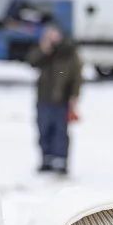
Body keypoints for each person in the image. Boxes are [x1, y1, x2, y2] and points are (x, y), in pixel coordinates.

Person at [27, 19, 83, 175]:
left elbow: (77, 76)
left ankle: (61, 161)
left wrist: (75, 96)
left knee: (60, 132)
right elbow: (32, 62)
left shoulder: (69, 52)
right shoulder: (44, 50)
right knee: (44, 130)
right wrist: (44, 49)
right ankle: (47, 159)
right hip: (44, 98)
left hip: (62, 99)